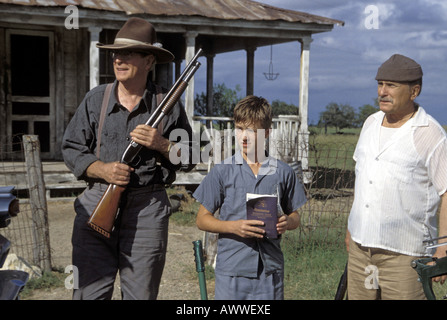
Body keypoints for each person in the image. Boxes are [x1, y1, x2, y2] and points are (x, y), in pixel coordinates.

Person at [61, 17, 195, 300]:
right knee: (88, 293)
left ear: (148, 61)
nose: (118, 60)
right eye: (116, 54)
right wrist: (101, 169)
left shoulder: (167, 104)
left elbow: (191, 156)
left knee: (141, 295)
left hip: (147, 209)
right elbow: (72, 146)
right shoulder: (96, 99)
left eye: (128, 53)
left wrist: (162, 144)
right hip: (97, 201)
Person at [345, 54, 447, 299]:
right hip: (361, 252)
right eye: (380, 84)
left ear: (414, 91)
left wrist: (442, 247)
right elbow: (363, 179)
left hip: (406, 255)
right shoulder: (370, 123)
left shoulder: (429, 133)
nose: (382, 91)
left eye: (391, 85)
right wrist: (351, 229)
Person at [193, 95, 307, 300]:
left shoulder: (283, 172)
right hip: (232, 269)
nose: (244, 137)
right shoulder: (222, 171)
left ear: (267, 132)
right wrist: (233, 227)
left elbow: (296, 216)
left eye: (253, 131)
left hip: (270, 270)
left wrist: (287, 222)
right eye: (239, 128)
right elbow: (202, 219)